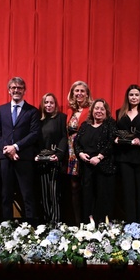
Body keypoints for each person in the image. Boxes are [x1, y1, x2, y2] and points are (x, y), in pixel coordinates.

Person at [0, 77, 41, 221]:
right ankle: (7, 226)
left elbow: (34, 133)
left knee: (27, 194)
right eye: (13, 87)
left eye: (19, 88)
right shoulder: (1, 109)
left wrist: (15, 147)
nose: (16, 90)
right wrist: (6, 149)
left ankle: (31, 228)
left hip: (24, 158)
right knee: (6, 194)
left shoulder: (32, 111)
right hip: (5, 159)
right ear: (9, 90)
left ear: (24, 91)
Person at [75, 99, 117, 223]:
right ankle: (87, 226)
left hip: (104, 168)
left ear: (106, 111)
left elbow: (111, 143)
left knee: (103, 198)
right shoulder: (85, 125)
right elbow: (77, 142)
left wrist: (99, 157)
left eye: (102, 109)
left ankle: (102, 226)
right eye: (96, 108)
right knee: (87, 198)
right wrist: (81, 154)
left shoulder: (110, 124)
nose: (99, 111)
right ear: (92, 110)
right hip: (87, 168)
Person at [114, 85, 140, 224]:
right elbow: (115, 131)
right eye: (131, 95)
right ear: (127, 97)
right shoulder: (119, 113)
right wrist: (115, 139)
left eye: (136, 95)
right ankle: (130, 223)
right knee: (128, 192)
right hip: (124, 157)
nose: (134, 97)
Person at [34, 93, 68, 223]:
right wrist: (35, 155)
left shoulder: (61, 118)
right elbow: (34, 139)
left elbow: (64, 138)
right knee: (44, 194)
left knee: (54, 193)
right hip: (41, 162)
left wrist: (58, 155)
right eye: (46, 102)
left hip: (55, 160)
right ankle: (46, 222)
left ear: (56, 104)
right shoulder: (37, 119)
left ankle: (56, 222)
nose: (48, 105)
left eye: (51, 103)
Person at [66, 80, 92, 224]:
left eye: (82, 91)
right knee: (74, 187)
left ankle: (88, 221)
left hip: (85, 151)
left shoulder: (91, 109)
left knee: (86, 186)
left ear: (87, 94)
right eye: (77, 91)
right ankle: (77, 222)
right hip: (71, 154)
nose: (79, 94)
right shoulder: (70, 110)